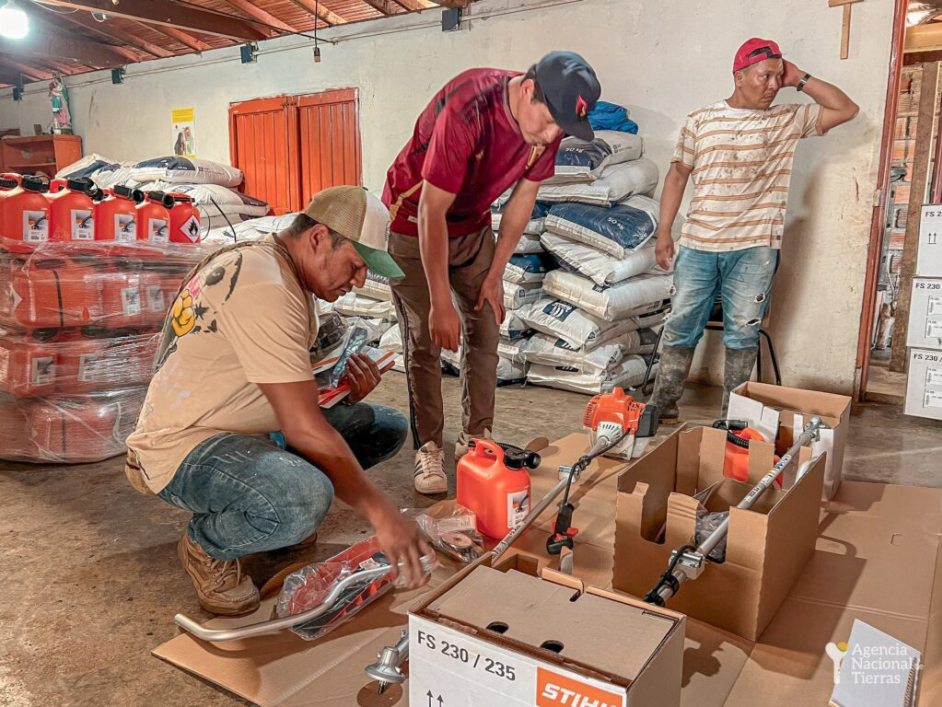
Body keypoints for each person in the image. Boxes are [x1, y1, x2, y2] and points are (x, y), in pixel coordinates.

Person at [125, 186, 431, 616]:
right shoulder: (262, 282)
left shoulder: (283, 272)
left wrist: (341, 385)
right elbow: (302, 426)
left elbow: (282, 384)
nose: (360, 280)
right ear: (319, 238)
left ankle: (276, 511)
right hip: (187, 445)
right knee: (303, 498)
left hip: (247, 428)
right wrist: (383, 514)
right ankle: (206, 544)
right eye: (356, 265)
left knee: (382, 426)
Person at [383, 51, 601, 494]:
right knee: (426, 340)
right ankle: (428, 447)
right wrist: (440, 302)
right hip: (415, 225)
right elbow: (431, 210)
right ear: (527, 91)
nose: (553, 134)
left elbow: (523, 200)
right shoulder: (468, 108)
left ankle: (475, 438)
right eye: (551, 121)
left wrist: (495, 273)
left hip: (473, 227)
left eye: (562, 127)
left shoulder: (549, 120)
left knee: (485, 327)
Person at [651, 38, 859, 422]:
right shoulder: (702, 120)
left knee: (742, 335)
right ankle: (663, 404)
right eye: (765, 76)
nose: (772, 85)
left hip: (755, 249)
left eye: (778, 78)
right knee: (680, 327)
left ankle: (735, 415)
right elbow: (678, 174)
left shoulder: (787, 119)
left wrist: (798, 78)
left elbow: (846, 108)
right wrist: (665, 231)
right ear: (739, 75)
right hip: (698, 244)